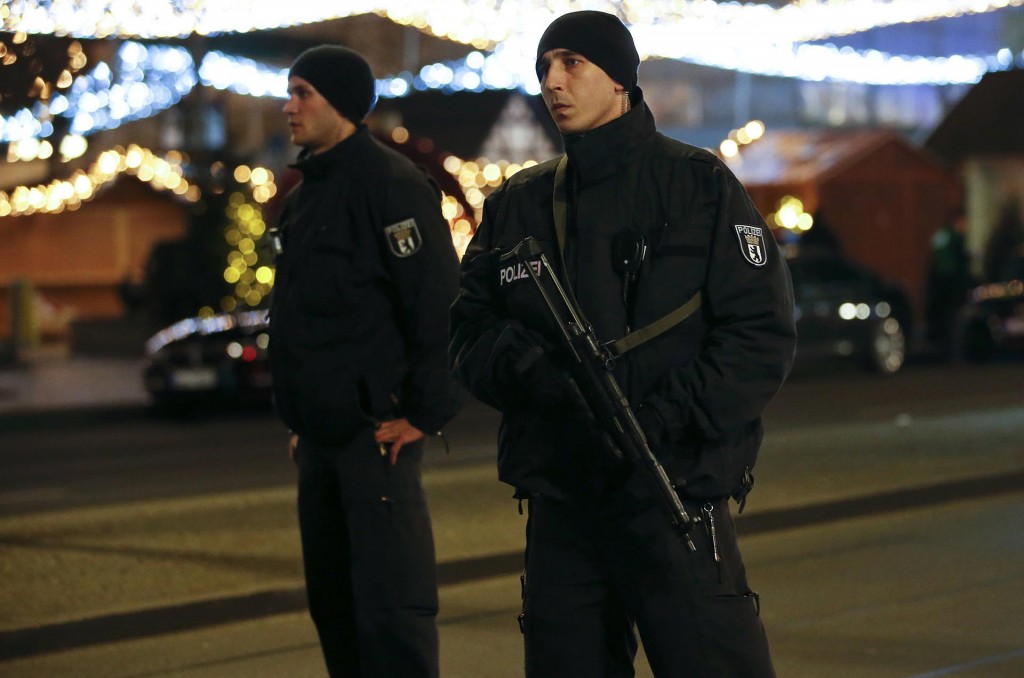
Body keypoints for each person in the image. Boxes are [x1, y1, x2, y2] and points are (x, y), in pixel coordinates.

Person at [449, 11, 796, 677]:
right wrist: (531, 373)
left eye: (572, 63)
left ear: (619, 80)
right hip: (564, 498)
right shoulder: (520, 202)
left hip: (674, 491)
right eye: (544, 67)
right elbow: (467, 330)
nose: (552, 81)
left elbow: (760, 335)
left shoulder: (698, 185)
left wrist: (666, 419)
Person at [268, 45, 462, 677]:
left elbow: (437, 304)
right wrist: (301, 419)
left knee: (391, 614)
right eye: (290, 92)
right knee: (336, 610)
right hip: (320, 442)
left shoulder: (391, 185)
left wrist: (425, 414)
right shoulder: (304, 197)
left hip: (377, 438)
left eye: (303, 93)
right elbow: (303, 318)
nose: (289, 107)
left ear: (343, 104)